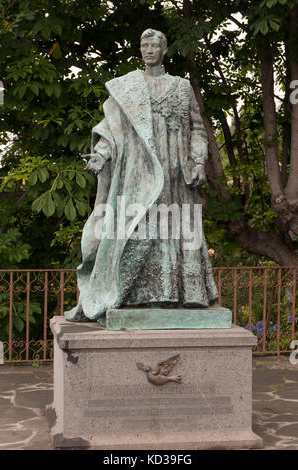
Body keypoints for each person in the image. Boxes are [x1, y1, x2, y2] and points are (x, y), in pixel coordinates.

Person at [64, 28, 218, 324]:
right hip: (138, 173)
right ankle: (131, 295)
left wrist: (199, 162)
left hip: (175, 175)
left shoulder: (182, 86)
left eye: (154, 45)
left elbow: (198, 130)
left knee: (175, 230)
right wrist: (101, 155)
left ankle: (179, 295)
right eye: (144, 44)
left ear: (164, 50)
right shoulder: (128, 88)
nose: (149, 49)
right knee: (134, 230)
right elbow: (112, 129)